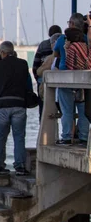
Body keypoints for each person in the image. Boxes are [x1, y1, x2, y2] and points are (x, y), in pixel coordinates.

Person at [0, 41, 33, 176]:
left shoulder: (0, 64)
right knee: (19, 137)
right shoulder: (23, 64)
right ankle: (20, 166)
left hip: (2, 106)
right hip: (19, 104)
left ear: (2, 52)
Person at [54, 13, 89, 145]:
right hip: (82, 79)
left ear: (72, 24)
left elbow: (55, 54)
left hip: (65, 78)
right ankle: (84, 138)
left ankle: (67, 137)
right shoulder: (85, 39)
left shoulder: (63, 39)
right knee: (83, 109)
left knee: (67, 110)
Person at [33, 25, 63, 118]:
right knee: (64, 108)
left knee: (43, 109)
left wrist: (38, 78)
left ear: (49, 34)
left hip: (43, 79)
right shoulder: (64, 42)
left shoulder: (42, 45)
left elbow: (36, 64)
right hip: (61, 80)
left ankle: (43, 129)